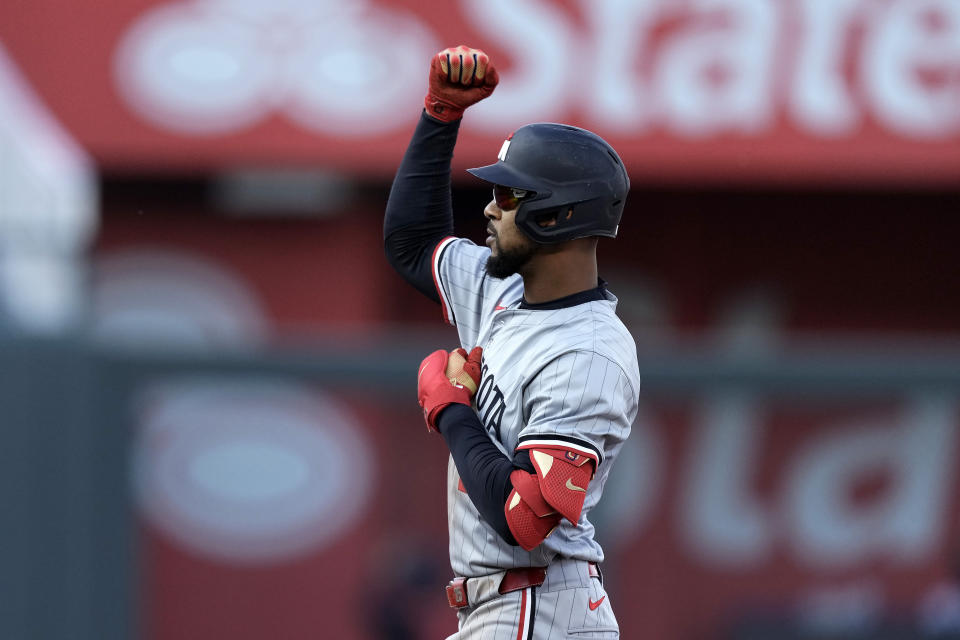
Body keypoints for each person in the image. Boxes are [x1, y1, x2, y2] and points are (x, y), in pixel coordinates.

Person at [384, 45, 640, 639]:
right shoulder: (504, 289)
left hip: (539, 609)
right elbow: (411, 245)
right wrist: (440, 115)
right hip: (508, 609)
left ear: (555, 217)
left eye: (509, 196)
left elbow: (521, 518)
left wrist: (452, 410)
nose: (491, 209)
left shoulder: (589, 355)